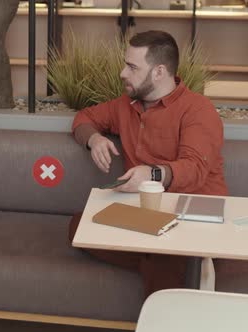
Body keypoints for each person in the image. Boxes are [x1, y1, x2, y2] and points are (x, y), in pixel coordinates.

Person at [69, 30, 227, 297]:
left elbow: (194, 169)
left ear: (159, 72)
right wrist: (94, 139)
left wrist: (153, 174)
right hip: (143, 216)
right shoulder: (125, 105)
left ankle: (173, 261)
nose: (122, 73)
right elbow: (84, 117)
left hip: (190, 215)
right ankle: (180, 262)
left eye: (131, 67)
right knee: (78, 226)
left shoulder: (198, 110)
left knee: (164, 256)